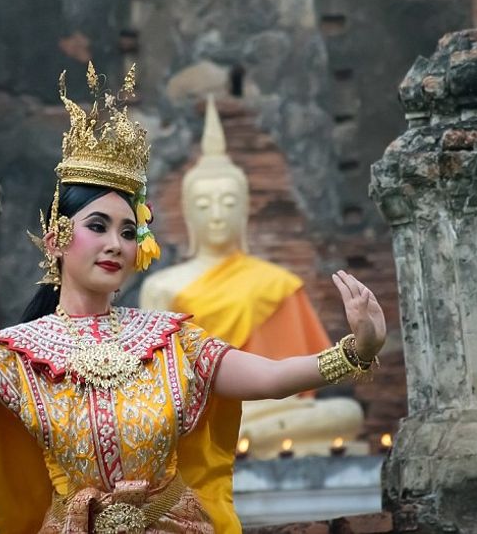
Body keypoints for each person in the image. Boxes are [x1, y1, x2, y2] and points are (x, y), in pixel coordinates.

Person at [0, 64, 387, 534]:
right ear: (56, 239)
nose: (116, 244)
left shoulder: (170, 339)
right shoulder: (18, 356)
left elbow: (272, 378)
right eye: (97, 226)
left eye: (128, 231)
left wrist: (355, 350)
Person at [140, 97, 365, 459]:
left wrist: (360, 350)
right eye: (204, 205)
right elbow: (160, 384)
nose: (217, 215)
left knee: (345, 413)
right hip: (203, 411)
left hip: (274, 407)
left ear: (245, 209)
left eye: (229, 203)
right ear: (187, 213)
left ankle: (245, 432)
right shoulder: (162, 287)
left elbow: (296, 385)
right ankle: (237, 430)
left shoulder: (278, 283)